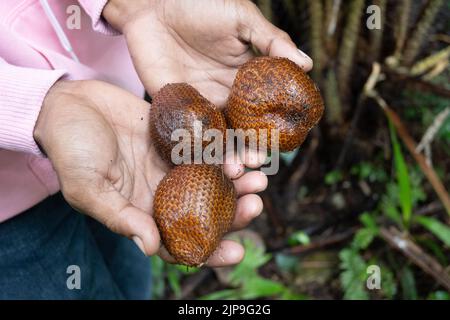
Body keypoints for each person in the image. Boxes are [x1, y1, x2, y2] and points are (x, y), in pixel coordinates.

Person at [0, 0, 313, 299]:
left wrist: (143, 5)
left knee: (130, 275)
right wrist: (36, 108)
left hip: (117, 142)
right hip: (11, 204)